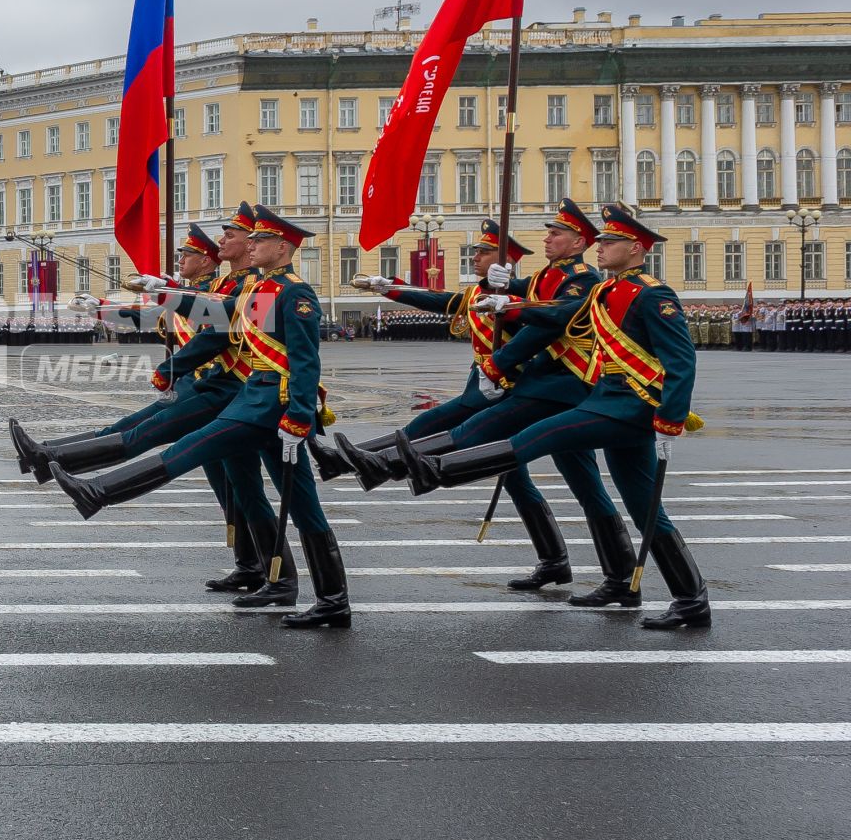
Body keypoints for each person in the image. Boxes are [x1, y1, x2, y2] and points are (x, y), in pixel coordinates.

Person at [396, 203, 709, 630]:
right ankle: (675, 596)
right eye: (600, 241)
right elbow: (558, 314)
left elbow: (681, 360)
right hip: (607, 399)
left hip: (631, 407)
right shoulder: (604, 292)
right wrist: (507, 302)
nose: (601, 247)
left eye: (610, 242)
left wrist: (671, 418)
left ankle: (437, 470)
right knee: (643, 507)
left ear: (636, 248)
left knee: (540, 435)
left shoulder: (653, 294)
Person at [48, 205, 350, 629]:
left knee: (193, 448)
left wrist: (299, 416)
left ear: (282, 248)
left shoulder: (294, 293)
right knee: (301, 505)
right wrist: (164, 291)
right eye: (255, 239)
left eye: (261, 240)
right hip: (256, 398)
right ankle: (318, 596)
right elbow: (221, 316)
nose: (253, 245)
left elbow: (305, 361)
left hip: (272, 405)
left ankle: (98, 491)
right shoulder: (259, 291)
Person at [324, 201, 631, 597]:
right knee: (530, 474)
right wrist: (393, 288)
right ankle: (562, 563)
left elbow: (544, 327)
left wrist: (498, 361)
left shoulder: (582, 281)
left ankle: (380, 463)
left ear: (578, 241)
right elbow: (448, 302)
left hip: (553, 387)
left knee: (459, 429)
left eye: (556, 233)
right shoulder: (541, 279)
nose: (548, 238)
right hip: (532, 386)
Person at [11, 209, 274, 593]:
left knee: (144, 436)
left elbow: (215, 328)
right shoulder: (226, 286)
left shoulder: (244, 286)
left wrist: (173, 361)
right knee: (235, 487)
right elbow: (153, 317)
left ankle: (54, 462)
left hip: (224, 389)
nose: (228, 242)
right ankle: (252, 565)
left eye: (234, 236)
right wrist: (102, 307)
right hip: (215, 388)